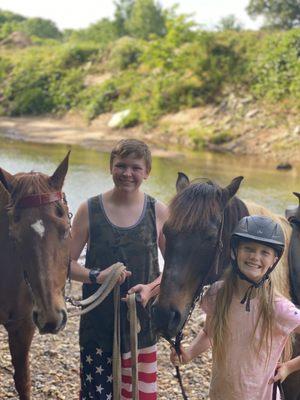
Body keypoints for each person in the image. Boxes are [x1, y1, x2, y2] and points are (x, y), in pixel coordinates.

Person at [70, 139, 168, 400]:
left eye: (135, 168)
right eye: (121, 166)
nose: (127, 173)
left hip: (142, 328)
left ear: (147, 172)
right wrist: (97, 276)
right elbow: (65, 265)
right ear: (110, 167)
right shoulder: (88, 209)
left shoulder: (158, 211)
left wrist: (150, 289)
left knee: (139, 395)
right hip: (97, 328)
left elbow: (175, 272)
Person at [170, 215, 300, 400]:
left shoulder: (278, 308)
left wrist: (288, 367)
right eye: (248, 249)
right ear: (234, 251)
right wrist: (189, 353)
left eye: (264, 252)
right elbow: (209, 333)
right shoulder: (217, 293)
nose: (255, 257)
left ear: (274, 260)